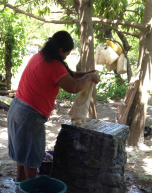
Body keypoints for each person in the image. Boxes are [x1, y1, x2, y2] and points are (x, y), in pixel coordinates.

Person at [7, 30, 100, 184]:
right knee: (31, 155)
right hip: (30, 116)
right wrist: (89, 77)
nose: (66, 58)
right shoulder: (53, 65)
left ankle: (20, 180)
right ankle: (31, 189)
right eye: (67, 54)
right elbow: (74, 87)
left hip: (17, 109)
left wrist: (86, 74)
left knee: (22, 150)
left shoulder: (40, 56)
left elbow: (67, 76)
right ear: (60, 50)